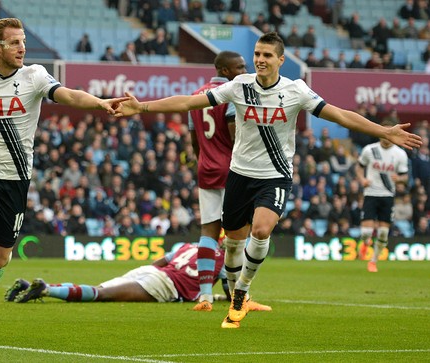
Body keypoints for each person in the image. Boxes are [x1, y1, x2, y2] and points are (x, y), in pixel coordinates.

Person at [113, 32, 422, 329]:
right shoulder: (238, 85)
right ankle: (237, 288)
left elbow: (339, 115)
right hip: (239, 175)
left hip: (275, 176)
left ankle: (241, 294)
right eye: (257, 54)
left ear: (280, 60)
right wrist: (141, 106)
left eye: (266, 55)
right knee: (233, 243)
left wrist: (383, 131)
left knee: (261, 231)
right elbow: (188, 103)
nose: (260, 60)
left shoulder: (296, 90)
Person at [0, 17, 128, 344]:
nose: (22, 48)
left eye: (23, 41)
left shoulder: (35, 76)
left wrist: (100, 103)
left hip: (15, 179)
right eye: (14, 42)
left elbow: (68, 95)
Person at [7, 241, 270, 314]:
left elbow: (161, 261)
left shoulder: (189, 245)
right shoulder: (226, 261)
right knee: (102, 296)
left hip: (152, 271)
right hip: (164, 285)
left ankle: (41, 287)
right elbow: (229, 289)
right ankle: (45, 290)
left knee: (98, 288)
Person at [187, 51, 247, 312]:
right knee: (238, 234)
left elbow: (194, 140)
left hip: (207, 170)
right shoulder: (233, 93)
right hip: (232, 171)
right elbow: (236, 138)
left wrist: (204, 161)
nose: (244, 70)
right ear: (224, 70)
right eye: (239, 67)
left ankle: (205, 296)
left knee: (208, 232)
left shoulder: (196, 96)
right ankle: (240, 296)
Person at [356, 119, 409, 273]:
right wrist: (362, 180)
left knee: (383, 233)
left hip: (387, 195)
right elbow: (359, 167)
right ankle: (366, 243)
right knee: (366, 233)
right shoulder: (369, 150)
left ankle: (373, 261)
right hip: (371, 193)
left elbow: (405, 177)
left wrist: (399, 179)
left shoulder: (400, 154)